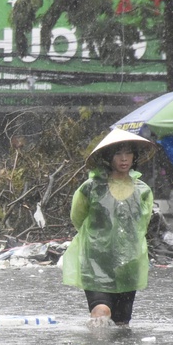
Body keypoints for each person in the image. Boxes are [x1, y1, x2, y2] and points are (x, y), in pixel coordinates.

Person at [61, 129, 155, 327]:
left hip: (129, 264)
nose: (124, 159)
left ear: (134, 156)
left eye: (128, 153)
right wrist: (100, 239)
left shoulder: (143, 190)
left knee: (122, 323)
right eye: (118, 154)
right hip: (97, 262)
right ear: (108, 157)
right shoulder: (91, 187)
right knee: (102, 311)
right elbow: (77, 218)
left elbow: (142, 225)